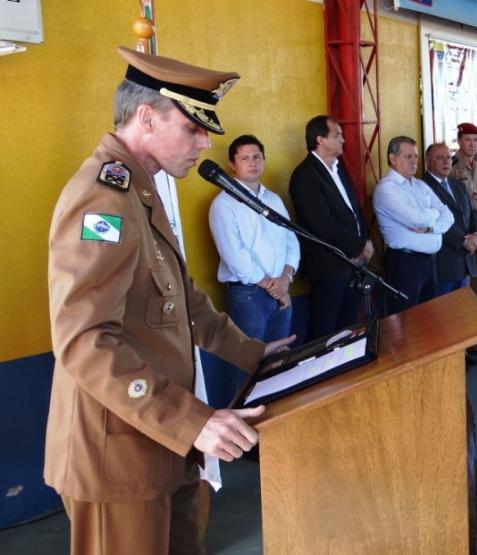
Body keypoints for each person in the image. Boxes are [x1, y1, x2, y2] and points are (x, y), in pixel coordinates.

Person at [45, 47, 294, 554]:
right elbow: (84, 341)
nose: (204, 142)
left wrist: (255, 354)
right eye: (193, 128)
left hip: (162, 443)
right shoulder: (103, 199)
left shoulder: (142, 190)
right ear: (146, 118)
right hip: (117, 455)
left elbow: (184, 300)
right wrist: (192, 421)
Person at [209, 135, 299, 393]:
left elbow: (291, 240)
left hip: (281, 289)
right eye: (245, 158)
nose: (252, 162)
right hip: (248, 296)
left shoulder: (274, 200)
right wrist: (273, 286)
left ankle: (280, 410)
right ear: (232, 164)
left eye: (257, 156)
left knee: (279, 360)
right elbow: (235, 255)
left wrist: (286, 278)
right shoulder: (224, 204)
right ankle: (250, 415)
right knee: (249, 366)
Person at [288, 115, 373, 340]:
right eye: (337, 135)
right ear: (320, 139)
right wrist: (359, 246)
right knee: (325, 333)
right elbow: (322, 224)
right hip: (328, 268)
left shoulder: (338, 168)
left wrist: (365, 239)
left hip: (352, 265)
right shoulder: (305, 175)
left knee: (348, 330)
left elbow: (355, 210)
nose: (343, 140)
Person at [373, 136, 454, 315]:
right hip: (405, 263)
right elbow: (417, 219)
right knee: (406, 319)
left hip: (430, 262)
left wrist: (431, 228)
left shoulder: (420, 185)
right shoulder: (387, 188)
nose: (413, 161)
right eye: (408, 156)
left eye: (415, 156)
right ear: (393, 159)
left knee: (428, 319)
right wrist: (434, 213)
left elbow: (449, 216)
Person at [422, 143, 477, 365]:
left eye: (448, 157)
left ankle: (460, 355)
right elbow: (436, 221)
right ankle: (445, 359)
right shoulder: (423, 187)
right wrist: (462, 241)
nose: (446, 161)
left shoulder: (457, 185)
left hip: (464, 258)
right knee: (442, 314)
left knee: (459, 312)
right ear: (428, 162)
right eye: (440, 158)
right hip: (444, 260)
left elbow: (474, 213)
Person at [449, 122, 477, 302]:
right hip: (463, 231)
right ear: (459, 141)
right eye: (468, 140)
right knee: (463, 284)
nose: (473, 144)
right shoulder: (452, 166)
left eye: (475, 140)